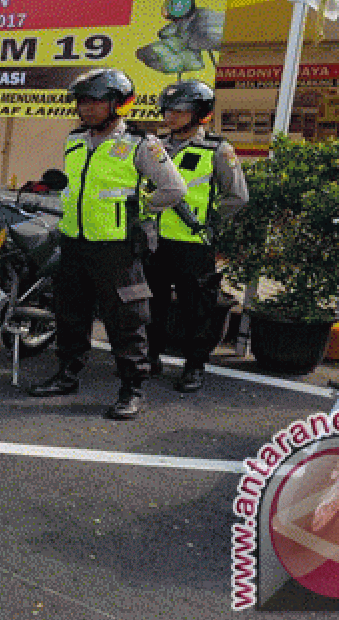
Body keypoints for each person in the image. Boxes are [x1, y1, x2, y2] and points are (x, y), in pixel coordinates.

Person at [25, 68, 186, 421]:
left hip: (116, 247)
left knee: (126, 321)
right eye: (82, 102)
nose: (86, 108)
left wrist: (135, 210)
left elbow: (174, 189)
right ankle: (67, 375)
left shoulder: (141, 144)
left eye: (95, 101)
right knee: (70, 315)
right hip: (74, 241)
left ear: (117, 103)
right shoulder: (74, 140)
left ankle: (132, 390)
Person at [145, 79, 249, 393]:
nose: (171, 116)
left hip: (193, 244)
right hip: (154, 240)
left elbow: (237, 196)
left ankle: (194, 366)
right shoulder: (154, 146)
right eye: (168, 110)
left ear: (199, 113)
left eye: (180, 110)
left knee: (197, 310)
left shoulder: (217, 149)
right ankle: (150, 358)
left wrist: (210, 222)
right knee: (152, 305)